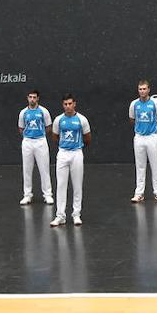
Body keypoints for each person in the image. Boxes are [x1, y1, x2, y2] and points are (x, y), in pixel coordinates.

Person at [51, 93, 91, 227]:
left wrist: (77, 147)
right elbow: (55, 136)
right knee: (61, 185)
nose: (68, 106)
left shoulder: (82, 119)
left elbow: (87, 137)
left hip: (77, 154)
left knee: (77, 185)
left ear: (74, 104)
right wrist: (64, 147)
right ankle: (60, 216)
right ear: (63, 105)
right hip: (62, 154)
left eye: (70, 104)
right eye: (65, 104)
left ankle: (76, 214)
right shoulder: (58, 120)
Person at [129, 79, 157, 203]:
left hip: (153, 137)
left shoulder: (155, 103)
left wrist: (152, 128)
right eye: (140, 89)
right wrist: (141, 129)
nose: (142, 91)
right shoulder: (134, 104)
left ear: (149, 90)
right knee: (140, 166)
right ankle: (139, 193)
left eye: (144, 89)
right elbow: (132, 119)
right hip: (139, 137)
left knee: (156, 165)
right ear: (138, 90)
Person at [17, 90, 53, 205]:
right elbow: (21, 128)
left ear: (37, 99)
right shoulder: (23, 113)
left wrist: (39, 136)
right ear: (27, 98)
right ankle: (27, 195)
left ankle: (47, 195)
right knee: (27, 169)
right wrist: (29, 137)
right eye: (30, 97)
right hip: (27, 142)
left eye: (34, 97)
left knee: (44, 169)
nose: (32, 99)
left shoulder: (44, 111)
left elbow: (48, 127)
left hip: (41, 141)